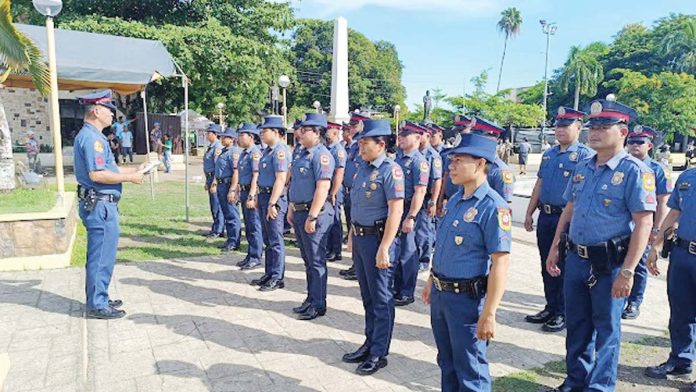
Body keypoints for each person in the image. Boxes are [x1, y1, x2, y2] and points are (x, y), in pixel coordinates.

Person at [545, 98, 656, 392]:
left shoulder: (635, 171)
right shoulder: (583, 166)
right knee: (577, 326)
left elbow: (644, 223)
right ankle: (575, 381)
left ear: (622, 132)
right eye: (592, 126)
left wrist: (629, 271)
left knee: (607, 330)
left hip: (611, 265)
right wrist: (556, 244)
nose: (594, 132)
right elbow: (570, 208)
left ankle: (600, 386)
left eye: (604, 126)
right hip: (577, 260)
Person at [423, 132, 512, 392]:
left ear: (480, 163)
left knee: (471, 369)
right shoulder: (456, 202)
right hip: (442, 296)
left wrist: (489, 314)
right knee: (447, 362)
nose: (451, 166)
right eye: (451, 161)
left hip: (468, 301)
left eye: (458, 160)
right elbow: (443, 247)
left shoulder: (492, 207)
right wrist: (431, 280)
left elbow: (500, 263)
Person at [73, 90, 144, 319]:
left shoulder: (95, 137)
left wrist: (135, 171)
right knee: (101, 256)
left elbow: (110, 170)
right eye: (109, 110)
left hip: (102, 205)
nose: (113, 115)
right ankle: (97, 304)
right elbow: (97, 175)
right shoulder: (93, 139)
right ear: (96, 111)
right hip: (100, 206)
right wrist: (130, 178)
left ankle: (99, 296)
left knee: (102, 255)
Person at [342, 119, 404, 376]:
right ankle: (369, 343)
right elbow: (357, 206)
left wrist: (385, 247)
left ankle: (379, 352)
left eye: (364, 143)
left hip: (380, 241)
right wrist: (352, 235)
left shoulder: (391, 170)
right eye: (359, 143)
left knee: (381, 299)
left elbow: (395, 211)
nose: (360, 147)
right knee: (368, 297)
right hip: (362, 239)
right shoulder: (363, 169)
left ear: (381, 144)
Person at [523, 107, 594, 333]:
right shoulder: (549, 154)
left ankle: (563, 312)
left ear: (578, 128)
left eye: (566, 126)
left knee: (562, 266)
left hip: (567, 219)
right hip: (546, 216)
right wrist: (529, 211)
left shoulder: (584, 155)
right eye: (558, 125)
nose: (560, 130)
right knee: (546, 262)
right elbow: (539, 184)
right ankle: (550, 306)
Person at [644, 166, 696, 392]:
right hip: (683, 253)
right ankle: (681, 359)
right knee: (680, 310)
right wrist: (656, 245)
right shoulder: (687, 176)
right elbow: (674, 212)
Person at [287, 113, 335, 320]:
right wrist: (291, 208)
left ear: (316, 133)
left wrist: (312, 216)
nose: (300, 133)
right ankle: (310, 298)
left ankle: (318, 303)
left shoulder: (321, 156)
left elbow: (323, 188)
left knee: (316, 261)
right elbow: (295, 184)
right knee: (307, 260)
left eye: (305, 130)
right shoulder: (301, 154)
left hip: (315, 213)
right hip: (299, 211)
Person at [622, 125, 673, 319]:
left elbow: (663, 202)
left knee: (640, 266)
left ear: (649, 145)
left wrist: (657, 230)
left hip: (644, 227)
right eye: (631, 141)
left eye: (639, 142)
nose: (634, 145)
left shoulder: (657, 169)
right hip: (623, 225)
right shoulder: (622, 164)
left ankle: (634, 302)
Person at [251, 116, 290, 291]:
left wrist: (272, 203)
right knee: (267, 238)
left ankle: (277, 276)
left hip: (275, 198)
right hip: (265, 195)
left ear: (275, 132)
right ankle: (269, 272)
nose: (262, 134)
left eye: (265, 131)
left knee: (275, 239)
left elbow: (281, 179)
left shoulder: (280, 151)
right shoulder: (267, 151)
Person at [392, 121, 429, 307]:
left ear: (417, 138)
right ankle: (396, 288)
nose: (401, 138)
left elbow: (420, 191)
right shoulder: (399, 159)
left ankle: (406, 292)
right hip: (396, 209)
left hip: (408, 209)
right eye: (401, 135)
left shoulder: (419, 162)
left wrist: (411, 216)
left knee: (408, 252)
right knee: (397, 250)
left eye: (405, 135)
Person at [340, 112, 370, 281]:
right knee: (354, 229)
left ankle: (359, 266)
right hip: (351, 192)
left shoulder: (362, 145)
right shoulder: (353, 146)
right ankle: (355, 265)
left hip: (362, 193)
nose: (350, 128)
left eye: (354, 125)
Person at [236, 123, 264, 272]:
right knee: (248, 225)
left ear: (251, 137)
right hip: (244, 190)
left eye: (242, 135)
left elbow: (256, 175)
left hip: (251, 192)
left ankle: (256, 256)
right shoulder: (244, 153)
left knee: (254, 226)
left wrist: (252, 195)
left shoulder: (255, 153)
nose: (240, 138)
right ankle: (250, 254)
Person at [417, 123, 443, 272]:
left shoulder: (433, 156)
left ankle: (424, 260)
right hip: (415, 197)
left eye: (421, 134)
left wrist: (433, 201)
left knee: (424, 231)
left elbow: (437, 180)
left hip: (426, 198)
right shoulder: (415, 153)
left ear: (427, 136)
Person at [469, 117, 515, 203]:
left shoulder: (500, 171)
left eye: (477, 139)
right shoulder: (472, 164)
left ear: (491, 140)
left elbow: (503, 206)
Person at [214, 127, 242, 253]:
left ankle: (234, 241)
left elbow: (236, 171)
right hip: (221, 184)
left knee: (232, 214)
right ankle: (230, 239)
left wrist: (233, 189)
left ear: (232, 139)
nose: (222, 139)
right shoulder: (224, 151)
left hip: (228, 184)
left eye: (225, 137)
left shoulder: (234, 152)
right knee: (226, 213)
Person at [324, 121, 347, 262]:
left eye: (328, 130)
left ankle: (336, 250)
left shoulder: (338, 150)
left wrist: (333, 193)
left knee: (335, 221)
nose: (325, 133)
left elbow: (339, 173)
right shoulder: (328, 149)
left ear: (335, 132)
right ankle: (330, 248)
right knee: (328, 220)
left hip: (335, 189)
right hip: (328, 189)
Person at [202, 124, 225, 238]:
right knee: (213, 204)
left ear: (215, 134)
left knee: (217, 205)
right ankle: (216, 227)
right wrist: (207, 181)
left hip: (215, 178)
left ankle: (219, 229)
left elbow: (218, 166)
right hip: (210, 177)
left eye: (209, 133)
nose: (206, 135)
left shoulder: (217, 147)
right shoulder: (211, 147)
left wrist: (214, 182)